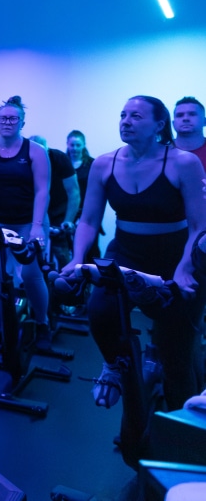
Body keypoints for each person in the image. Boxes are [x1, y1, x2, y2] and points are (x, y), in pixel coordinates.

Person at [61, 96, 205, 456]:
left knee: (177, 359)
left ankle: (183, 444)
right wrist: (77, 260)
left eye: (136, 116)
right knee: (100, 312)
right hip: (124, 252)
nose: (125, 121)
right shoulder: (104, 164)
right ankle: (113, 366)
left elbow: (199, 225)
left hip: (175, 255)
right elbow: (89, 220)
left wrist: (185, 267)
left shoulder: (183, 163)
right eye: (123, 115)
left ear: (159, 126)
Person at [0, 96, 52, 354]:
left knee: (30, 274)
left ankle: (42, 324)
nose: (7, 122)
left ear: (22, 122)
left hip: (28, 222)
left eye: (12, 118)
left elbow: (42, 191)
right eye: (2, 118)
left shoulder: (36, 151)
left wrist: (37, 226)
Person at [30, 135, 80, 267]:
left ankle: (67, 281)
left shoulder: (60, 159)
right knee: (31, 254)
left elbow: (74, 193)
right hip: (33, 210)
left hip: (58, 211)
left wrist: (68, 220)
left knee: (61, 253)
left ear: (48, 150)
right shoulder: (23, 160)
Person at [67, 129, 100, 260]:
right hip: (68, 212)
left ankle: (94, 277)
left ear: (84, 145)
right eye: (72, 145)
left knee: (91, 246)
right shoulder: (63, 164)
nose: (75, 148)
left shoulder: (93, 164)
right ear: (67, 144)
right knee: (68, 247)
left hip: (89, 211)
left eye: (78, 145)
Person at [173, 96, 206, 169]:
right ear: (173, 123)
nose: (185, 118)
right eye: (180, 115)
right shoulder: (159, 152)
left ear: (204, 121)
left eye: (192, 114)